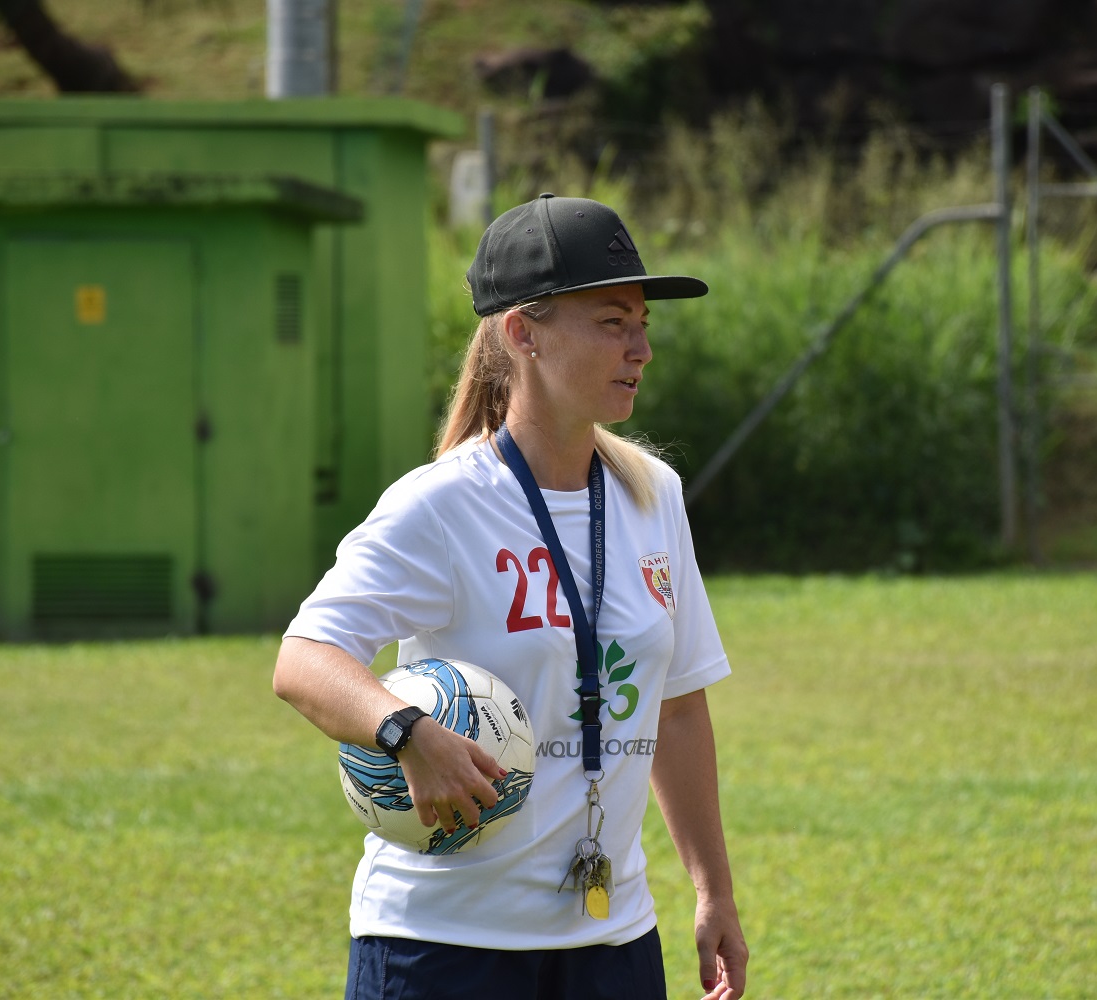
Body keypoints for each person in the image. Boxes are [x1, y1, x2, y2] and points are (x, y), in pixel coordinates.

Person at [273, 193, 749, 1000]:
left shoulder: (652, 496)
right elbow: (304, 658)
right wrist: (407, 733)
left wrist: (714, 891)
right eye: (611, 323)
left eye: (642, 323)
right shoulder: (443, 504)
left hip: (611, 938)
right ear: (522, 334)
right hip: (443, 944)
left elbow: (675, 709)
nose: (642, 348)